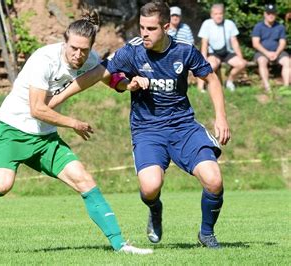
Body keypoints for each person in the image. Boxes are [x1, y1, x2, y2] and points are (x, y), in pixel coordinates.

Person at [0, 11, 153, 255]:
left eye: (84, 50)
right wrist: (73, 123)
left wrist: (126, 84)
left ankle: (120, 245)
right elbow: (37, 109)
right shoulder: (43, 60)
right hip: (14, 130)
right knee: (2, 185)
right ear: (64, 41)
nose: (78, 55)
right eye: (73, 48)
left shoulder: (89, 58)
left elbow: (109, 78)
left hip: (46, 139)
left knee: (84, 181)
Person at [48, 1, 231, 249]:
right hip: (147, 130)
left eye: (151, 28)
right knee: (150, 187)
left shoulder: (184, 51)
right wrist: (58, 98)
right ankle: (155, 209)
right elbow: (97, 75)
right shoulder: (132, 51)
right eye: (141, 27)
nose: (144, 33)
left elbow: (211, 78)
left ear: (166, 27)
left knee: (214, 180)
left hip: (183, 127)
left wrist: (221, 117)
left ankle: (207, 234)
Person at [197, 3, 247, 92]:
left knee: (242, 64)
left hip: (227, 52)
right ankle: (201, 87)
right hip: (213, 53)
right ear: (212, 15)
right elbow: (204, 43)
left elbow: (234, 42)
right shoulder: (207, 24)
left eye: (220, 13)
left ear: (223, 14)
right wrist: (203, 58)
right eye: (216, 14)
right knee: (211, 66)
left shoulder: (229, 24)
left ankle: (229, 81)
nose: (218, 16)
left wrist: (240, 57)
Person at [251, 4, 289, 93]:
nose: (271, 15)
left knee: (287, 61)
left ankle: (286, 87)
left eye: (273, 13)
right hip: (262, 52)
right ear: (265, 14)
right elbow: (255, 43)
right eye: (269, 13)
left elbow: (283, 42)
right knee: (262, 61)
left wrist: (276, 53)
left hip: (278, 52)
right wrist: (267, 53)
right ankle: (267, 87)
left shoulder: (280, 27)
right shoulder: (258, 27)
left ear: (275, 14)